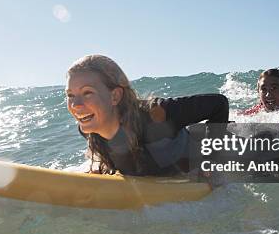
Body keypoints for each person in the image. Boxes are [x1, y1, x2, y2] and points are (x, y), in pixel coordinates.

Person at [66, 55, 229, 176]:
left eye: (87, 93)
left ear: (114, 96)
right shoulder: (90, 128)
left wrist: (212, 160)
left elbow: (219, 104)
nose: (75, 105)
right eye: (70, 95)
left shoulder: (155, 115)